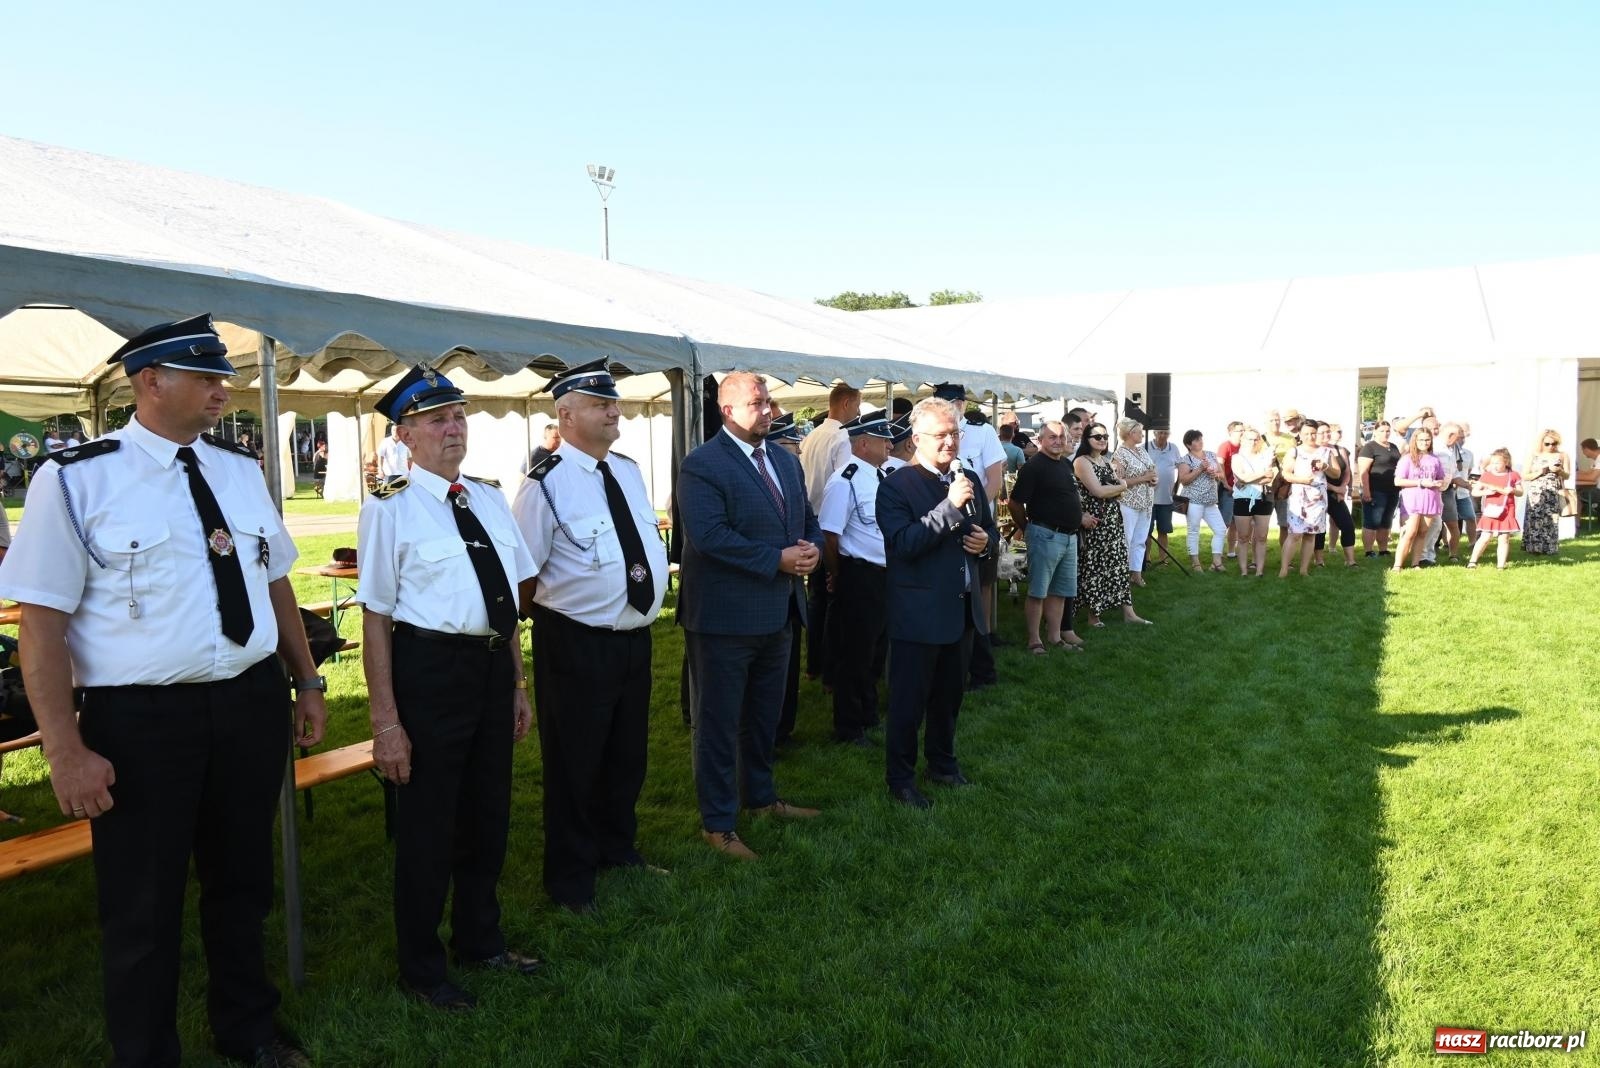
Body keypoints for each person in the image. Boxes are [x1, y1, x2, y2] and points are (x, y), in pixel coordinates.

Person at [0, 314, 326, 1067]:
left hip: (247, 701)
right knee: (141, 903)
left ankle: (248, 1030)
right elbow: (40, 626)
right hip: (141, 720)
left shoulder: (238, 471)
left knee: (243, 883)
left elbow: (274, 583)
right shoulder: (77, 479)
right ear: (150, 381)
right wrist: (64, 749)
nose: (222, 390)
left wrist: (307, 679)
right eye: (205, 377)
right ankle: (146, 1054)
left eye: (223, 378)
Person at [356, 364, 541, 1011]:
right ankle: (422, 967)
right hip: (431, 673)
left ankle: (480, 940)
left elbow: (507, 601)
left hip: (490, 670)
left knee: (488, 814)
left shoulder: (488, 498)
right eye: (437, 420)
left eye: (459, 416)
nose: (454, 428)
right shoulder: (389, 508)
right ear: (405, 436)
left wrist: (516, 683)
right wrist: (386, 721)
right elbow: (375, 618)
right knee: (429, 826)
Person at [511, 359, 669, 914]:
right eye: (600, 404)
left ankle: (617, 847)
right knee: (574, 762)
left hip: (633, 638)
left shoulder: (627, 470)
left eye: (614, 402)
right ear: (566, 415)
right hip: (576, 642)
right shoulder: (544, 486)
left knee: (627, 755)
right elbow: (523, 575)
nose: (613, 411)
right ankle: (570, 878)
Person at [678, 372, 822, 861]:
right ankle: (718, 824)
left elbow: (807, 519)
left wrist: (812, 548)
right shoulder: (702, 464)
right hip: (723, 619)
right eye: (757, 403)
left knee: (763, 717)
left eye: (769, 401)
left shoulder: (785, 460)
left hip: (778, 613)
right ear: (727, 411)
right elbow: (709, 536)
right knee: (717, 723)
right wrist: (776, 560)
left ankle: (760, 798)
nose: (768, 410)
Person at [876, 396, 996, 809]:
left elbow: (989, 531)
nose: (950, 442)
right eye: (941, 434)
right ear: (916, 439)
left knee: (949, 698)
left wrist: (985, 544)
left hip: (961, 610)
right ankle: (901, 779)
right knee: (908, 703)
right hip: (919, 614)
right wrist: (949, 508)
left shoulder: (969, 478)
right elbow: (903, 544)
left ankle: (942, 765)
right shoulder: (896, 486)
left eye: (955, 433)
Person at [818, 410, 894, 746]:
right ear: (863, 443)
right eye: (883, 439)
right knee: (855, 653)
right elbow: (829, 535)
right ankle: (848, 726)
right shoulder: (844, 480)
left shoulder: (879, 476)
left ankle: (868, 712)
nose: (890, 444)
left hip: (883, 576)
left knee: (875, 650)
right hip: (859, 575)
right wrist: (838, 575)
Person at [936, 383, 1006, 688]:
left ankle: (982, 654)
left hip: (975, 525)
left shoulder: (982, 431)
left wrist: (973, 513)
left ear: (963, 404)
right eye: (941, 401)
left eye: (953, 402)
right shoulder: (932, 432)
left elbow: (994, 479)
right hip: (941, 522)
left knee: (980, 588)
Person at [799, 384, 861, 686]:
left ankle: (813, 664)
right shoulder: (841, 437)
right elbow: (846, 484)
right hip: (833, 525)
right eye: (858, 406)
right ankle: (829, 668)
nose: (858, 413)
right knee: (834, 598)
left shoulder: (811, 436)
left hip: (809, 522)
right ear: (846, 403)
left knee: (817, 598)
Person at [1009, 420, 1088, 653]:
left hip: (1069, 537)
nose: (1058, 441)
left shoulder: (1065, 464)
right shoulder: (1033, 467)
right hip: (1045, 535)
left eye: (1061, 437)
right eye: (1052, 437)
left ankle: (1055, 637)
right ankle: (1034, 640)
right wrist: (1028, 528)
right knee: (1038, 591)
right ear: (1041, 440)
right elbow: (1015, 503)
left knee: (1060, 591)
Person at [1073, 423, 1151, 627]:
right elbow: (1098, 491)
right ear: (1087, 439)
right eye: (1097, 436)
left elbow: (1117, 492)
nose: (1102, 440)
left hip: (1113, 521)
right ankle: (1094, 616)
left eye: (1105, 436)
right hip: (1095, 523)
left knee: (1118, 565)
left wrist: (1118, 487)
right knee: (1095, 568)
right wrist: (1121, 485)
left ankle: (1129, 613)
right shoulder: (1082, 462)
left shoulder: (1106, 461)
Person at [1279, 420, 1334, 577]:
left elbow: (1336, 473)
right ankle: (1283, 570)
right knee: (1295, 534)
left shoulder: (1326, 451)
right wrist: (1302, 480)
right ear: (1300, 434)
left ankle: (1304, 570)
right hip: (1299, 496)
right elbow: (1286, 473)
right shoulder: (1294, 451)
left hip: (1318, 498)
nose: (1310, 436)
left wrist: (1325, 467)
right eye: (1306, 434)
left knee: (1311, 534)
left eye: (1313, 433)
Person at [1110, 418, 1158, 588]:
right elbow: (1118, 481)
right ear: (1130, 433)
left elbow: (1152, 470)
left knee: (1140, 539)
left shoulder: (1142, 451)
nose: (1142, 435)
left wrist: (1154, 479)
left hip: (1146, 502)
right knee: (1126, 539)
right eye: (1139, 432)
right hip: (1128, 503)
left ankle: (1136, 574)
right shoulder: (1119, 454)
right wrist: (1143, 478)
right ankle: (1121, 577)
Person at [1392, 426, 1446, 571]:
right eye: (1421, 440)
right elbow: (1398, 481)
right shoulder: (1407, 458)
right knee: (1410, 532)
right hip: (1412, 500)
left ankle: (1415, 563)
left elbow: (1440, 478)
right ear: (1415, 441)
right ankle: (1397, 565)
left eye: (1427, 440)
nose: (1424, 442)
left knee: (1423, 532)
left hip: (1430, 499)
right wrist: (1421, 482)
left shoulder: (1434, 459)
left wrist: (1438, 483)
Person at [1175, 430, 1228, 573]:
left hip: (1210, 501)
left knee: (1221, 529)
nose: (1200, 441)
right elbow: (1184, 480)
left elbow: (1222, 474)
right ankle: (1196, 563)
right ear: (1189, 445)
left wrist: (1215, 474)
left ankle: (1216, 562)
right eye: (1196, 440)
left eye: (1200, 439)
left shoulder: (1211, 455)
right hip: (1194, 501)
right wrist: (1200, 469)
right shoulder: (1185, 459)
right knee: (1193, 530)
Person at [1229, 426, 1277, 576]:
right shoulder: (1237, 458)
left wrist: (1247, 480)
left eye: (1257, 439)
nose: (1254, 442)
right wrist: (1259, 475)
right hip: (1242, 500)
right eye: (1250, 439)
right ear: (1243, 440)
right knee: (1243, 537)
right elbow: (1242, 477)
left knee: (1262, 536)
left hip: (1263, 498)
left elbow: (1269, 478)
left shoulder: (1265, 457)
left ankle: (1259, 570)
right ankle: (1243, 571)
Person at [1468, 448, 1523, 570]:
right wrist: (1487, 492)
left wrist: (1513, 490)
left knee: (1504, 538)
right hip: (1491, 510)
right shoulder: (1487, 475)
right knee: (1485, 536)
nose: (1494, 466)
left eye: (1497, 463)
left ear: (1506, 462)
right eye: (1492, 463)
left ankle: (1500, 565)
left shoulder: (1513, 475)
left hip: (1507, 510)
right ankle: (1472, 561)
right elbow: (1475, 492)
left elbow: (1520, 492)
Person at [1313, 422, 1356, 567]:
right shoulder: (1313, 451)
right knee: (1320, 527)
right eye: (1322, 432)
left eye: (1328, 431)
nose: (1327, 435)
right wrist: (1335, 488)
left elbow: (1347, 471)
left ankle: (1350, 561)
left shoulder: (1339, 449)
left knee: (1347, 525)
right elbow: (1314, 476)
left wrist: (1343, 487)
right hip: (1318, 493)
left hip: (1337, 494)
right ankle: (1319, 561)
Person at [1521, 428, 1569, 556]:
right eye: (1547, 444)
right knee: (1534, 518)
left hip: (1553, 491)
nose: (1551, 447)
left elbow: (1567, 475)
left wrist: (1559, 471)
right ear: (1541, 443)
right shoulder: (1533, 455)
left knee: (1551, 518)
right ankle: (1533, 548)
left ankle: (1550, 547)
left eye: (1554, 444)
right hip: (1536, 491)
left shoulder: (1562, 455)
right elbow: (1525, 475)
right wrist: (1542, 471)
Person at [1358, 421, 1401, 557]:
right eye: (1382, 431)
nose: (1385, 433)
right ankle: (1369, 551)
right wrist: (1366, 491)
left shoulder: (1393, 446)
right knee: (1372, 521)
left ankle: (1383, 550)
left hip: (1393, 490)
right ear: (1375, 432)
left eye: (1387, 431)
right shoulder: (1369, 447)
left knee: (1386, 521)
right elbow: (1364, 471)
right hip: (1375, 490)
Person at [1147, 425, 1180, 565]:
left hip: (1166, 499)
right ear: (1154, 433)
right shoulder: (1145, 447)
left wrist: (1176, 488)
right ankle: (1146, 558)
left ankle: (1163, 558)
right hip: (1148, 499)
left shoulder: (1174, 448)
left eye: (1166, 433)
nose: (1163, 435)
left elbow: (1180, 468)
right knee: (1146, 531)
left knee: (1163, 530)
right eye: (1160, 432)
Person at [1216, 421, 1243, 558]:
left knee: (1235, 523)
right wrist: (1226, 485)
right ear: (1231, 432)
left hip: (1241, 490)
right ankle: (1217, 552)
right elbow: (1219, 465)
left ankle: (1231, 552)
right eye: (1239, 431)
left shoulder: (1244, 447)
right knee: (1224, 523)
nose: (1242, 433)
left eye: (1243, 430)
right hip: (1228, 490)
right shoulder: (1225, 446)